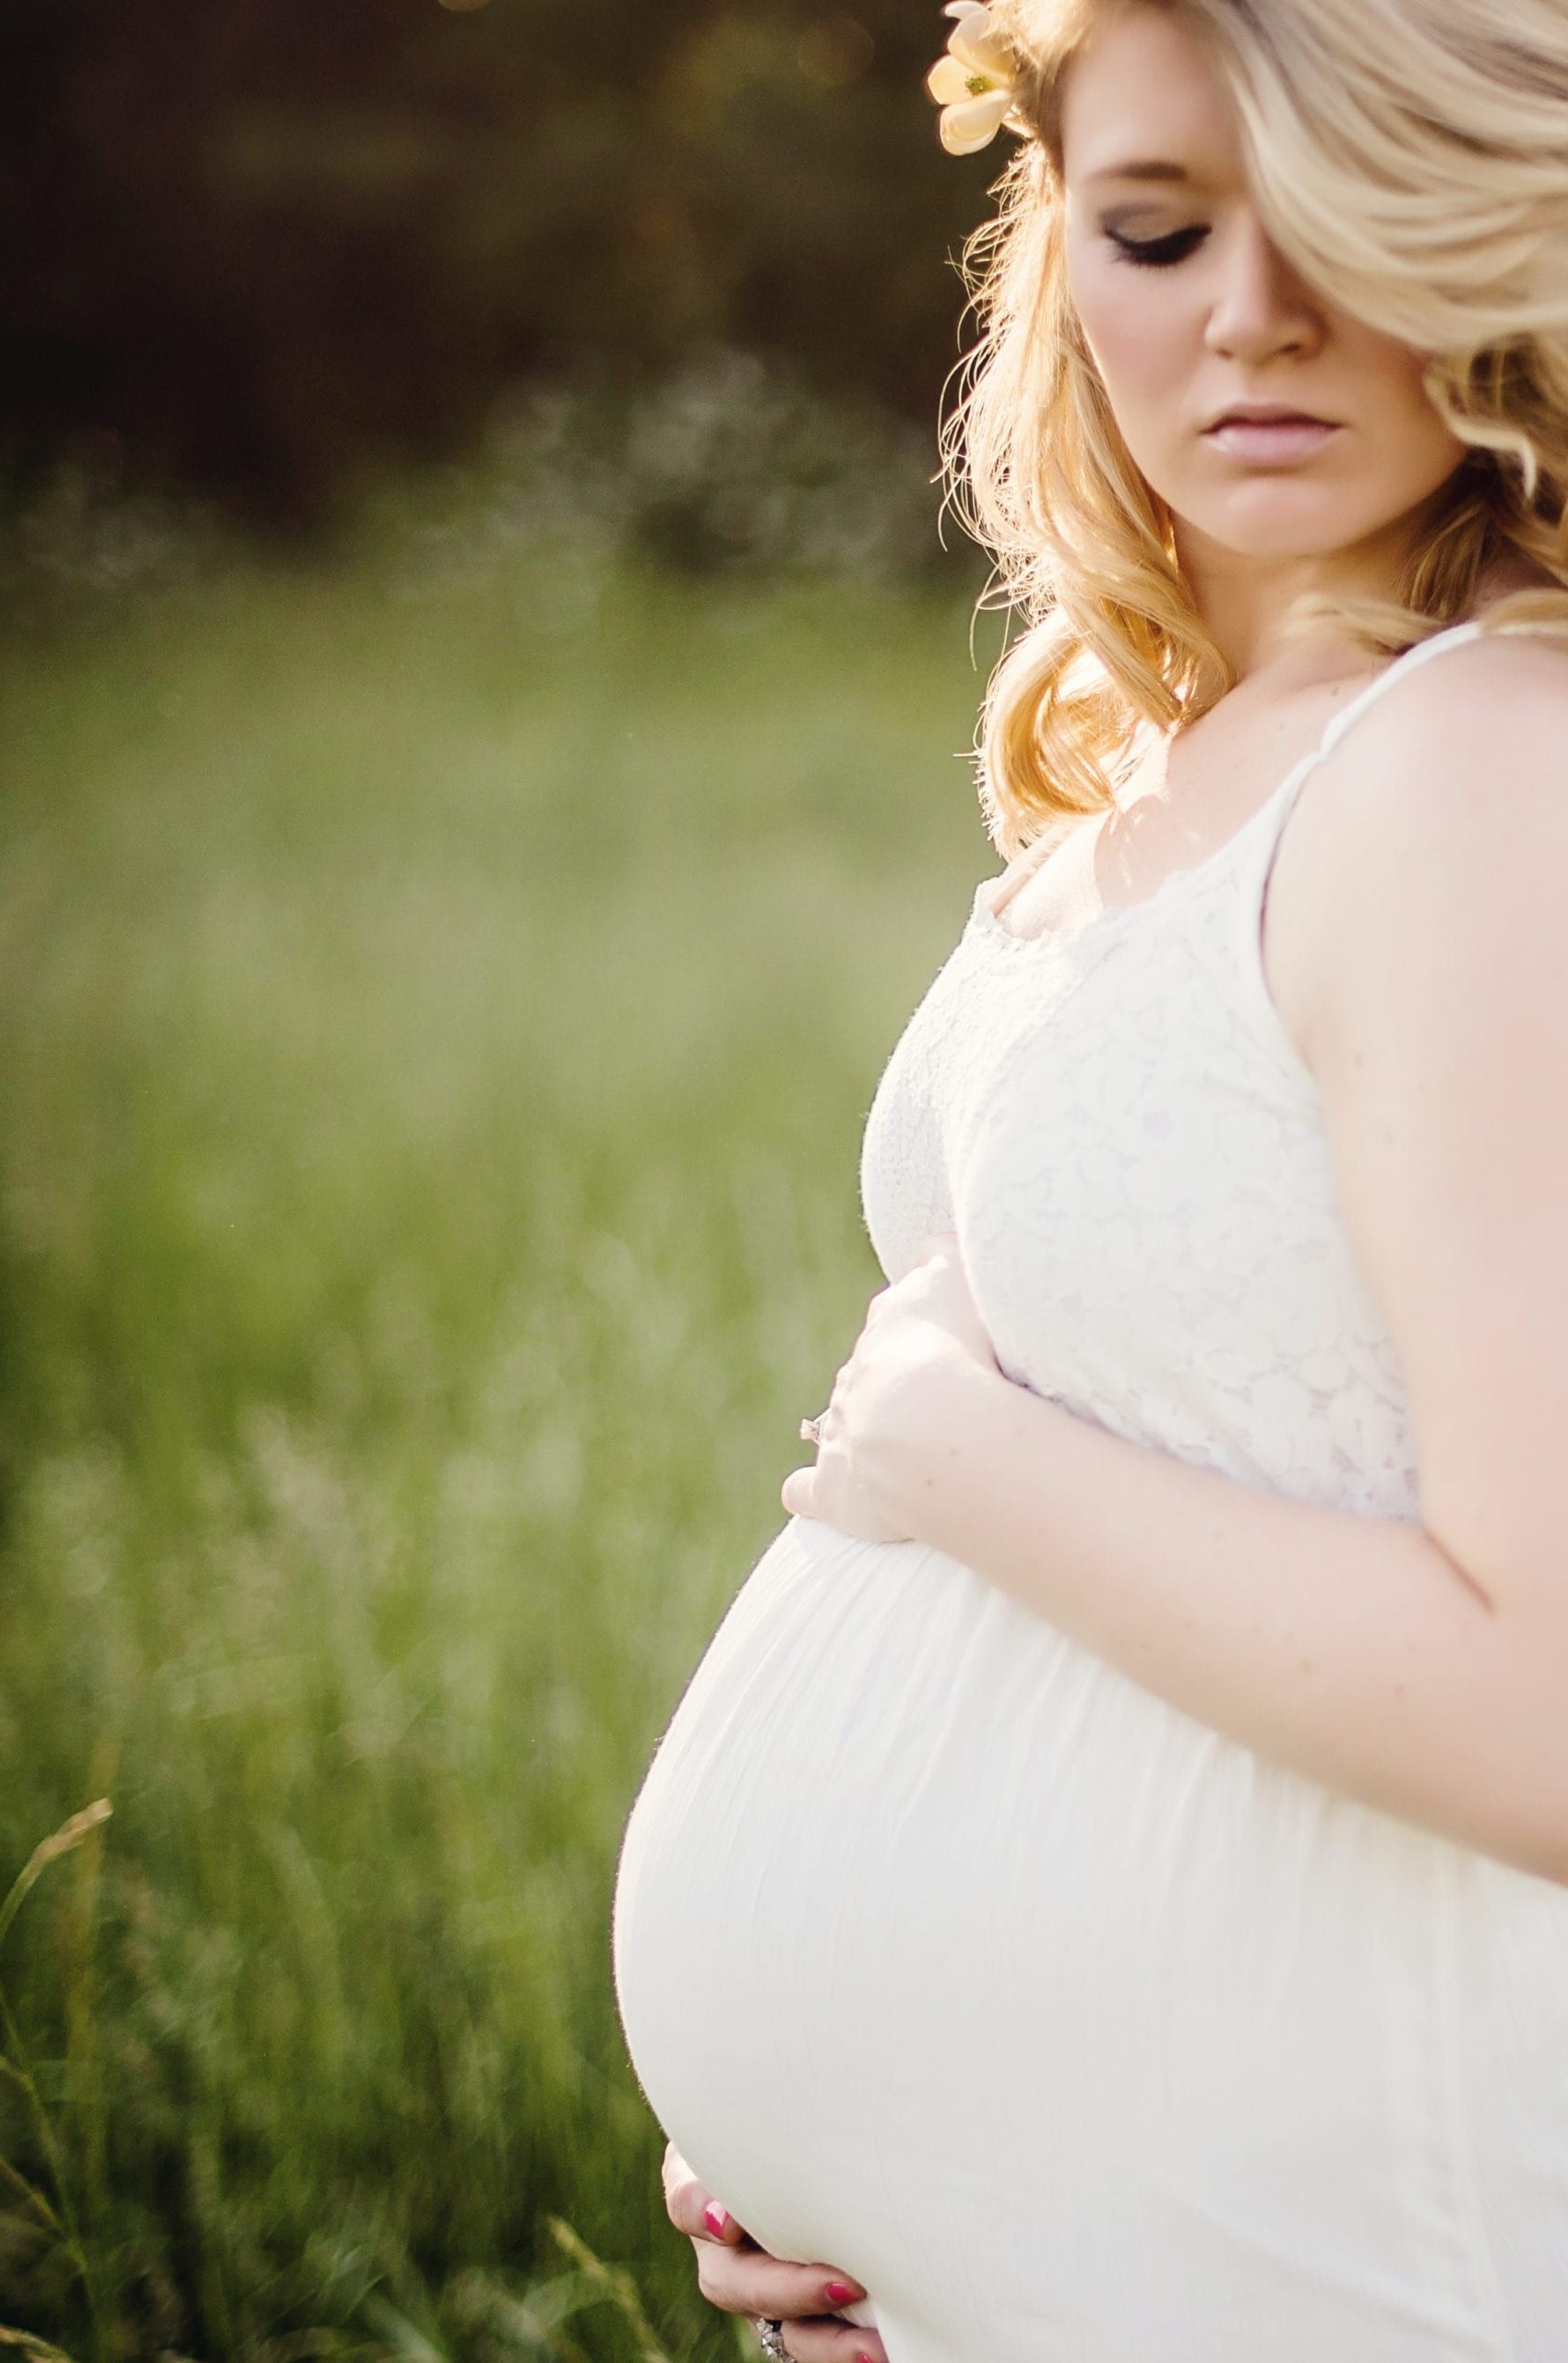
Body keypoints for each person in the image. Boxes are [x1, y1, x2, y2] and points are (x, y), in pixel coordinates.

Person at [611, 0, 1568, 2354]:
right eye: (1156, 226)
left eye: (1349, 221)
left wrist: (952, 1450)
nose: (1255, 309)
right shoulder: (1198, 759)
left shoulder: (1479, 769)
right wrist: (907, 2167)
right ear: (1057, 250)